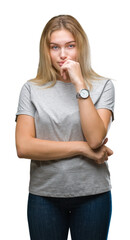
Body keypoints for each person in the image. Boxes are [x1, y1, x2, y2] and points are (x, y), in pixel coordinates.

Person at [15, 15, 115, 240]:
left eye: (70, 46)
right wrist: (81, 149)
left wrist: (80, 84)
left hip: (93, 195)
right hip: (44, 196)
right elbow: (24, 146)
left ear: (81, 47)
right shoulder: (31, 89)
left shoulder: (103, 86)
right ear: (46, 50)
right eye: (55, 47)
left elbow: (95, 138)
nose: (63, 55)